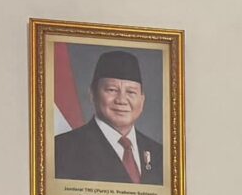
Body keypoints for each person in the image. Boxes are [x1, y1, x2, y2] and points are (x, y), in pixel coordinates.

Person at [52, 48, 165, 185]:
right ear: (93, 94)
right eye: (112, 90)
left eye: (131, 92)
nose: (121, 100)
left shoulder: (161, 154)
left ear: (142, 100)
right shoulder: (62, 149)